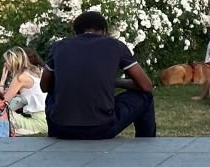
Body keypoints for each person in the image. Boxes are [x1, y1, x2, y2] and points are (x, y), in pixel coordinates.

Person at [41, 11, 155, 139]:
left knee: (51, 95)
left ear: (74, 33)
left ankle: (53, 140)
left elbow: (44, 86)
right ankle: (146, 143)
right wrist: (115, 82)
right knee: (146, 97)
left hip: (61, 128)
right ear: (105, 31)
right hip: (102, 128)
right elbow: (146, 86)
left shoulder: (59, 47)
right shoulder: (116, 45)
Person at [0, 47, 47, 136]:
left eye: (7, 61)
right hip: (46, 119)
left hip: (39, 123)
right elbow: (22, 101)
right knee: (13, 103)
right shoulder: (34, 73)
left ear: (14, 62)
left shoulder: (20, 78)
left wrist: (2, 82)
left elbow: (3, 103)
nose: (5, 64)